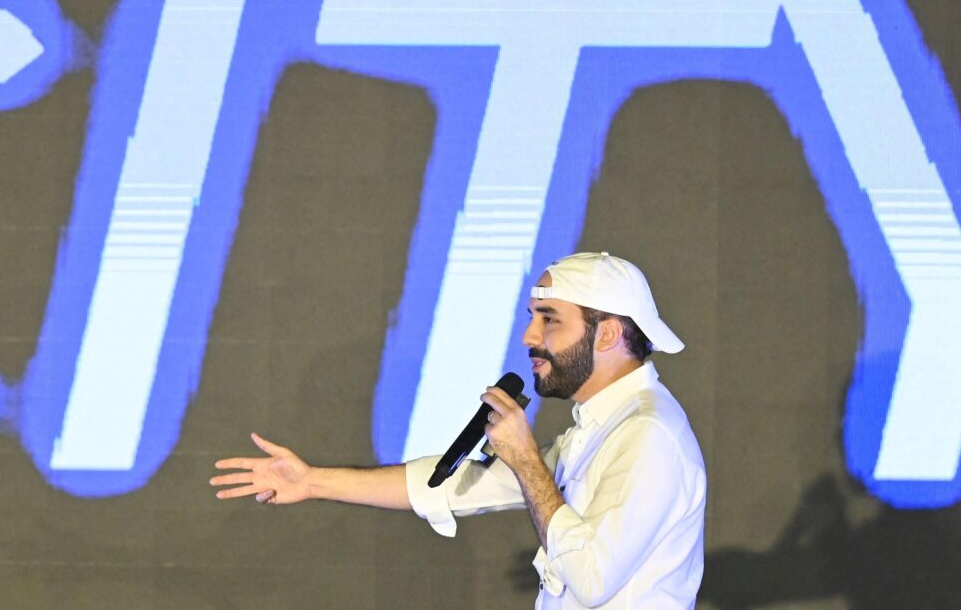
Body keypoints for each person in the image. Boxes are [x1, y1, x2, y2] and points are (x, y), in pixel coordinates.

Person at [211, 251, 706, 608]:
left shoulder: (648, 434)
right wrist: (312, 481)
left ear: (610, 333)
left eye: (549, 319)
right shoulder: (599, 426)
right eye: (532, 317)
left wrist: (528, 461)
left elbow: (592, 577)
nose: (530, 336)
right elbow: (457, 487)